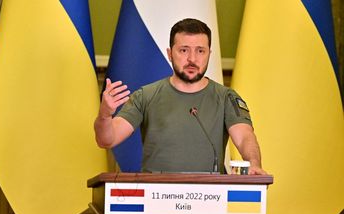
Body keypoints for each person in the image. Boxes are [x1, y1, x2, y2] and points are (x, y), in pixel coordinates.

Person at [94, 18, 266, 175]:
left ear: (209, 54)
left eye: (200, 51)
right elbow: (107, 140)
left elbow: (244, 137)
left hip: (210, 198)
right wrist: (105, 115)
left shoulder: (226, 97)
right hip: (156, 198)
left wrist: (254, 163)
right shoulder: (145, 95)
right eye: (184, 50)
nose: (192, 59)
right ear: (170, 54)